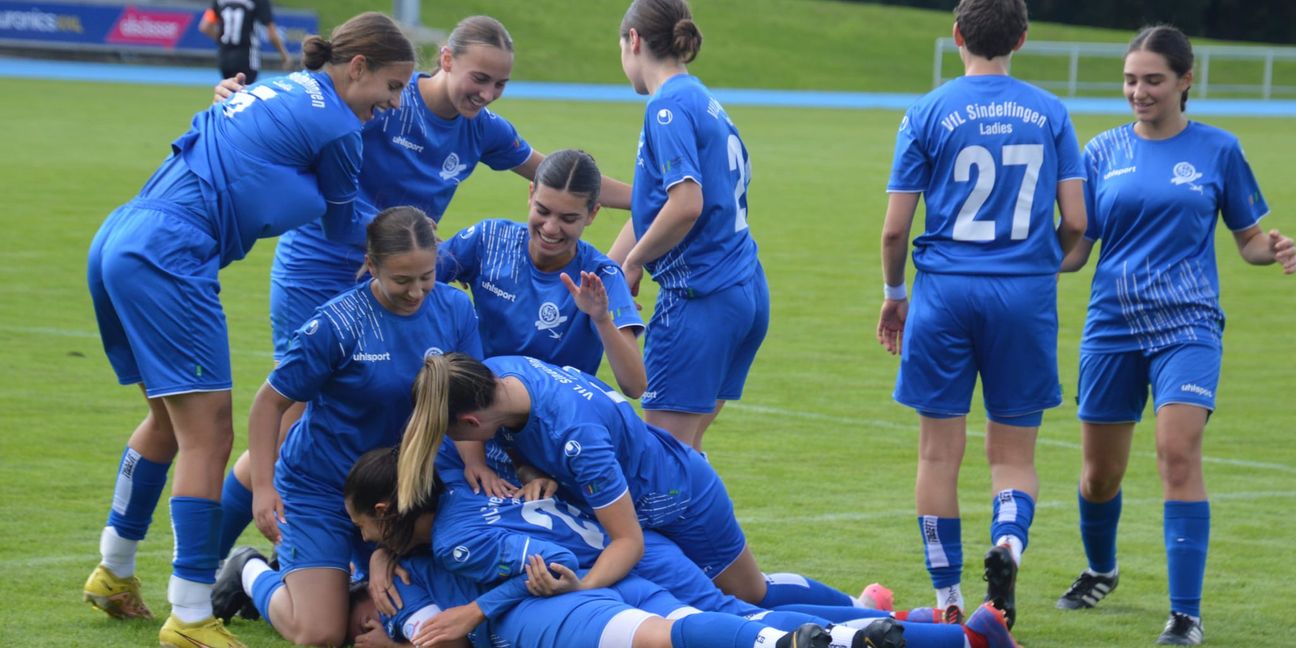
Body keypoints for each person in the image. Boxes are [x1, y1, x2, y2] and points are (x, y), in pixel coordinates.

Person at [212, 16, 633, 553]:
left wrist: (655, 197)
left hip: (402, 286)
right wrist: (239, 99)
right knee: (302, 421)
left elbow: (551, 174)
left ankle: (331, 557)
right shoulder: (390, 95)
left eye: (500, 84)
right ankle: (206, 565)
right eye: (479, 78)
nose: (487, 93)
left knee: (386, 417)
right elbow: (313, 107)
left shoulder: (482, 129)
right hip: (322, 271)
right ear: (448, 61)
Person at [81, 13, 413, 648]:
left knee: (164, 421)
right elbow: (348, 230)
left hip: (119, 235)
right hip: (171, 256)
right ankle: (190, 615)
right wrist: (431, 249)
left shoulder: (276, 88)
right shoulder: (340, 126)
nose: (392, 104)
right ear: (357, 66)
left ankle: (115, 571)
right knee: (210, 438)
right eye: (392, 87)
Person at [1055, 25, 1294, 646]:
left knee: (1177, 455)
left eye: (1153, 80)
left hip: (1188, 325)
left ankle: (1185, 614)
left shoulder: (1219, 150)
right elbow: (1077, 249)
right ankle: (1101, 569)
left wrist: (1278, 247)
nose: (1139, 91)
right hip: (1111, 326)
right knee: (1099, 476)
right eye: (1131, 80)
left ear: (1186, 81)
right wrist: (1020, 257)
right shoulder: (1102, 151)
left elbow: (1248, 241)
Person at [875, 0, 1087, 629]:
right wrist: (1042, 266)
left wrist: (894, 293)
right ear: (1021, 37)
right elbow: (1076, 221)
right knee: (1013, 456)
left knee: (939, 455)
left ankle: (947, 599)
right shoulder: (1051, 112)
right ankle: (1009, 544)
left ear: (957, 34)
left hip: (944, 294)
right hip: (1022, 295)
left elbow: (894, 231)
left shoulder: (928, 110)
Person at [394, 354, 878, 614]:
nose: (454, 447)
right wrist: (523, 469)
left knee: (749, 594)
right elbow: (515, 432)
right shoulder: (498, 371)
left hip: (677, 498)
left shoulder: (576, 437)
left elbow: (628, 542)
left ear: (475, 420)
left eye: (451, 435)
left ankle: (866, 613)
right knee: (709, 601)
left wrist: (581, 588)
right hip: (623, 500)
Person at [212, 207, 482, 647]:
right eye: (402, 280)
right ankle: (248, 570)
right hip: (321, 486)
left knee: (395, 621)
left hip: (394, 497)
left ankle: (341, 580)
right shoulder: (336, 325)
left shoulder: (454, 310)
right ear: (371, 266)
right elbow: (268, 405)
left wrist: (475, 463)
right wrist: (263, 487)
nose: (417, 292)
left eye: (426, 276)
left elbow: (467, 401)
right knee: (320, 635)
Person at [607, 0, 769, 451]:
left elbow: (685, 205)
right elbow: (655, 208)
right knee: (686, 454)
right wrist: (608, 266)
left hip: (702, 299)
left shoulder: (666, 108)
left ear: (633, 41)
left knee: (663, 465)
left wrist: (633, 264)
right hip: (744, 290)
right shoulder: (702, 99)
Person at [199, 0, 294, 82]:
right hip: (247, 56)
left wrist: (221, 40)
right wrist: (284, 55)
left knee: (229, 95)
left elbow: (205, 27)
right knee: (248, 97)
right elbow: (271, 33)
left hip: (224, 57)